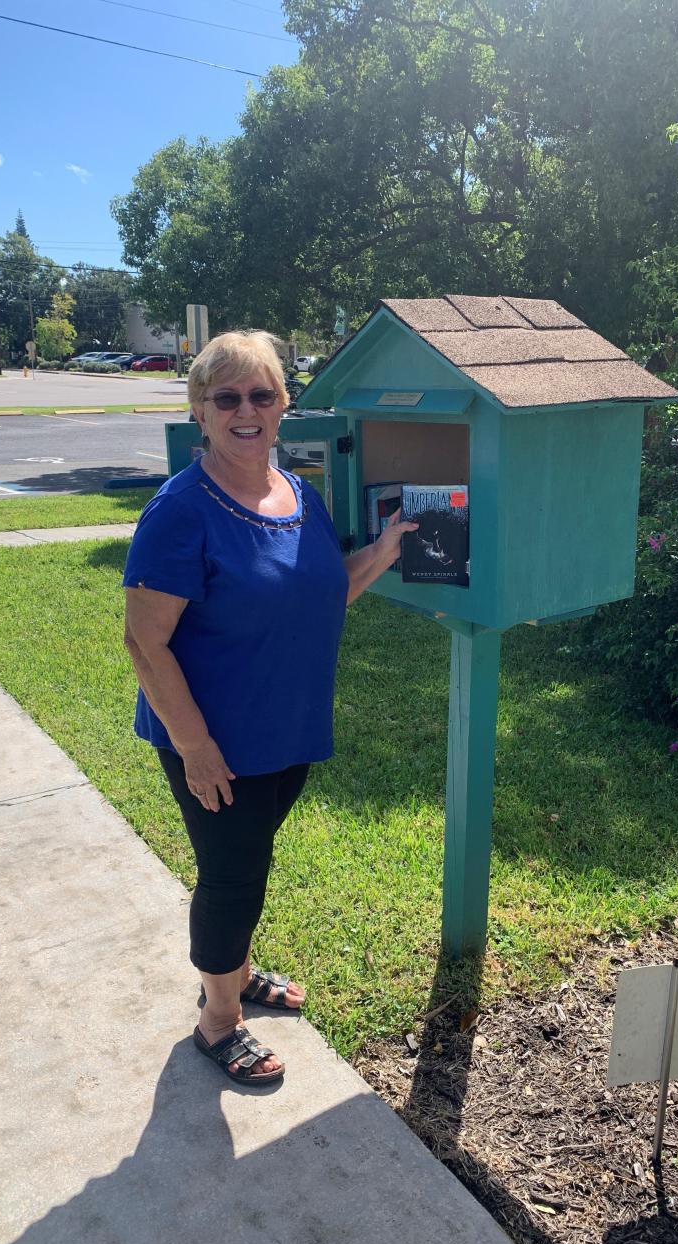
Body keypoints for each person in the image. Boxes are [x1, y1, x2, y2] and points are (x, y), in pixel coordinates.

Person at [123, 330, 416, 1086]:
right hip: (215, 737)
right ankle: (218, 1020)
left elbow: (320, 595)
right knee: (232, 875)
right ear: (200, 411)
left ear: (284, 406)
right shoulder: (181, 511)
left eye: (263, 394)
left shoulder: (300, 494)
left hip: (285, 726)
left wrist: (379, 555)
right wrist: (194, 747)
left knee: (250, 859)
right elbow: (145, 643)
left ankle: (238, 970)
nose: (246, 410)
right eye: (228, 397)